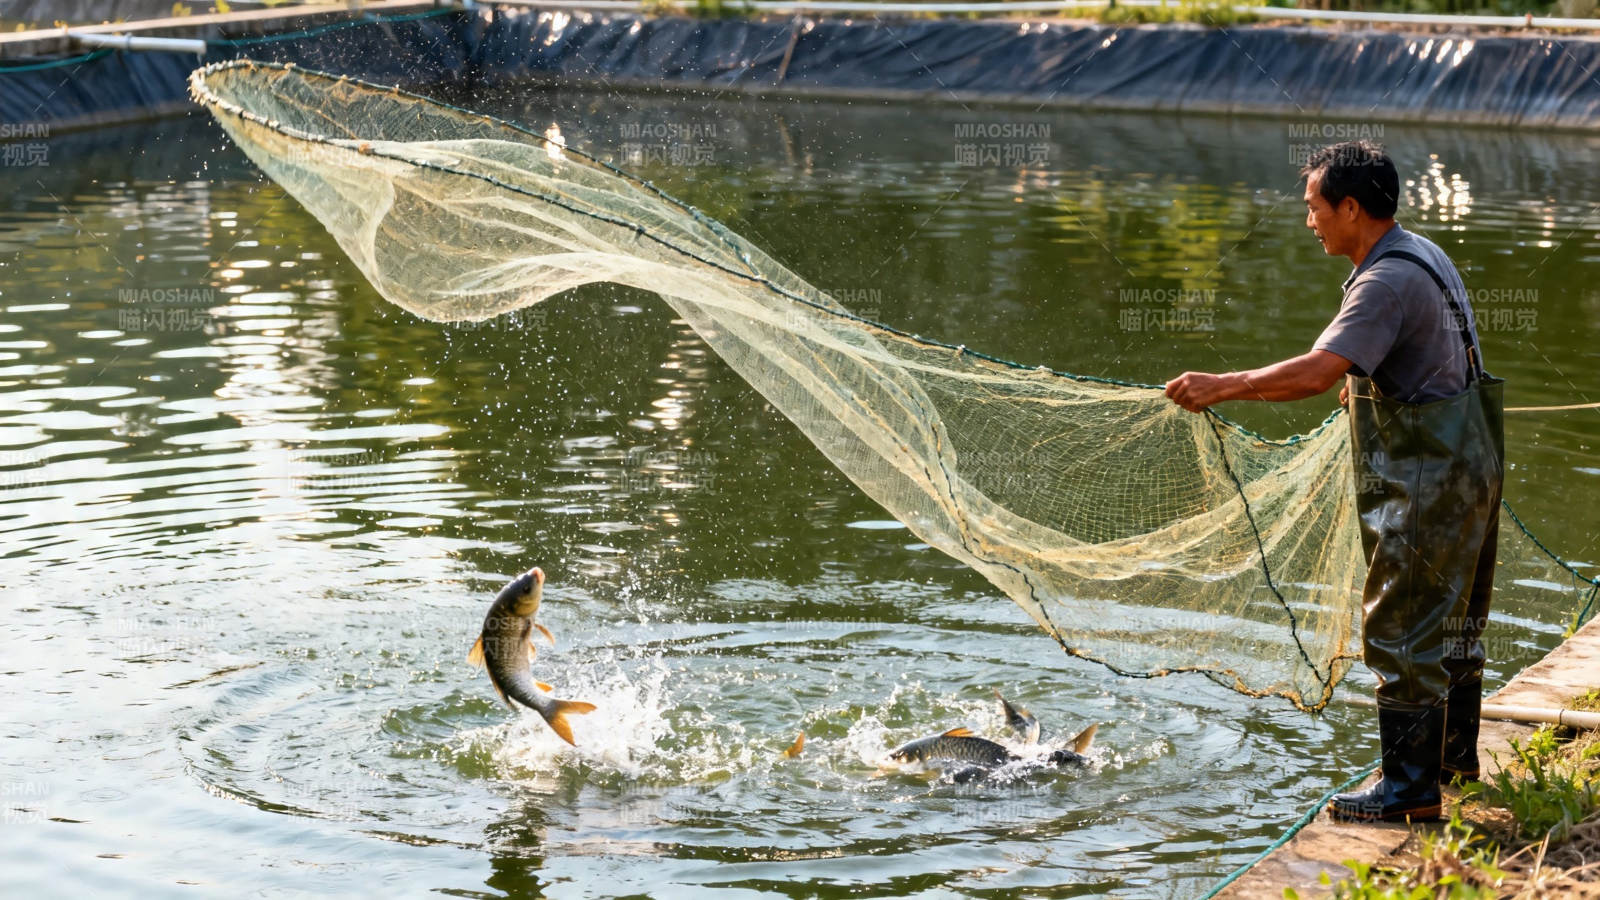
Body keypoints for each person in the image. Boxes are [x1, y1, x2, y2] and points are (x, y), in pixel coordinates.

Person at [1164, 141, 1504, 824]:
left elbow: (1318, 370)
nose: (1309, 220)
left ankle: (1409, 794)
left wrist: (1222, 385)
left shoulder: (1382, 280)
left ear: (1352, 208)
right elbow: (1427, 355)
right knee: (1457, 624)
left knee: (1404, 628)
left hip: (1427, 476)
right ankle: (1453, 763)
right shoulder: (1421, 253)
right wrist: (1365, 381)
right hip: (1474, 462)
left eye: (1315, 208)